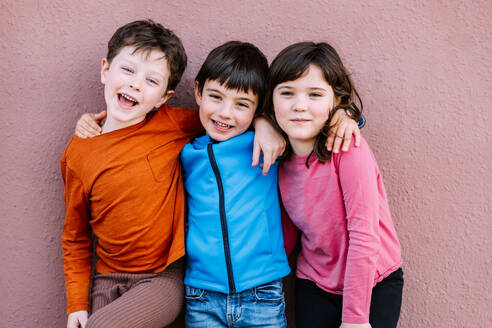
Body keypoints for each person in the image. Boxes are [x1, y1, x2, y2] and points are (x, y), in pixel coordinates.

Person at [60, 20, 286, 328]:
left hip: (162, 275)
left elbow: (223, 117)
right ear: (105, 70)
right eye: (127, 71)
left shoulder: (172, 124)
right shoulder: (78, 154)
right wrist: (76, 303)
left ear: (165, 97)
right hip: (106, 277)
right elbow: (75, 235)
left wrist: (264, 122)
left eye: (151, 80)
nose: (136, 84)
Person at [263, 42, 404, 328]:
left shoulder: (348, 149)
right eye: (287, 93)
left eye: (315, 94)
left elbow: (364, 235)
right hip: (315, 281)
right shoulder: (277, 157)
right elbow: (289, 232)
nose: (299, 105)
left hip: (373, 282)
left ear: (335, 101)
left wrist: (355, 319)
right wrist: (260, 124)